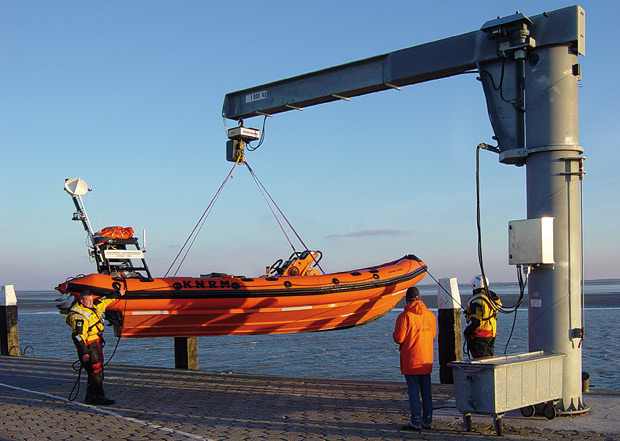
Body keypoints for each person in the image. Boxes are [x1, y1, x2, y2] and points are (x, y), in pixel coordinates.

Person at [66, 288, 125, 405]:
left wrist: (118, 293)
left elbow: (105, 301)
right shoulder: (79, 316)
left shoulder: (94, 307)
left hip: (96, 342)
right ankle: (100, 397)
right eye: (88, 300)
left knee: (94, 372)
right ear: (82, 301)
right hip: (88, 345)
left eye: (91, 300)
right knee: (96, 371)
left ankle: (90, 397)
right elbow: (78, 336)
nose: (91, 302)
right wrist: (84, 352)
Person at [393, 286, 437, 431]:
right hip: (426, 359)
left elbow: (399, 338)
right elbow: (433, 334)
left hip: (411, 359)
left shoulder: (405, 316)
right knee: (426, 391)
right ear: (419, 298)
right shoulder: (430, 315)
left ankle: (416, 421)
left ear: (407, 299)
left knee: (413, 391)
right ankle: (428, 420)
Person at [464, 275, 502, 358]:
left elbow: (476, 322)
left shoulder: (477, 301)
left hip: (480, 335)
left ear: (475, 286)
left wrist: (467, 332)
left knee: (480, 362)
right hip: (491, 334)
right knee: (489, 359)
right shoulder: (491, 299)